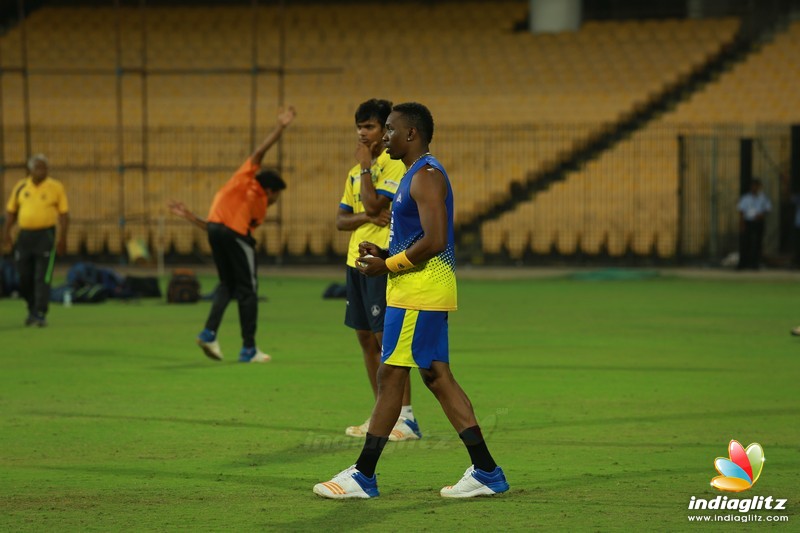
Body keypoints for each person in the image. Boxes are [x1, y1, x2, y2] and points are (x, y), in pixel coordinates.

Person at [314, 103, 509, 499]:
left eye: (389, 129)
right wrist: (382, 247)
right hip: (417, 292)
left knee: (391, 378)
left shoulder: (427, 177)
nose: (383, 136)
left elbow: (436, 240)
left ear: (411, 134)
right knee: (437, 376)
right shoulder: (412, 175)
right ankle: (487, 471)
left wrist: (388, 264)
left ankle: (363, 475)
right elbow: (415, 234)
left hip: (418, 295)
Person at [336, 99, 421, 441]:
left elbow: (374, 204)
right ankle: (380, 415)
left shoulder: (389, 164)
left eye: (369, 126)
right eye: (359, 126)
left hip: (381, 262)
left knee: (387, 342)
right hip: (354, 263)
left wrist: (367, 168)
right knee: (364, 339)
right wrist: (367, 216)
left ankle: (406, 418)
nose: (362, 132)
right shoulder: (355, 172)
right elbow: (341, 221)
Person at [193, 106, 295, 363]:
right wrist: (280, 127)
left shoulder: (242, 181)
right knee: (248, 290)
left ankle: (208, 333)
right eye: (276, 196)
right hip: (235, 235)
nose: (275, 201)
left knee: (227, 284)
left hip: (214, 229)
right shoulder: (252, 182)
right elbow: (260, 151)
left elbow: (220, 223)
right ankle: (248, 348)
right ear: (271, 190)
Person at [2, 154, 69, 327]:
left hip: (45, 236)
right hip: (24, 237)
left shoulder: (55, 187)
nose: (42, 171)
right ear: (30, 170)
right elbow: (11, 212)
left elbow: (63, 214)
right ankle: (32, 308)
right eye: (38, 167)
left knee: (42, 276)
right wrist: (6, 233)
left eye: (44, 167)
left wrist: (62, 239)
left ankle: (40, 312)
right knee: (23, 276)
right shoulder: (21, 187)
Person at [737, 178, 771, 270]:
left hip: (758, 222)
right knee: (745, 243)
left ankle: (755, 264)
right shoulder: (745, 198)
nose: (755, 188)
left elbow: (767, 209)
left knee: (757, 244)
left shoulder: (763, 198)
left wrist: (762, 215)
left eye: (756, 186)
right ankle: (743, 264)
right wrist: (742, 223)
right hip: (748, 222)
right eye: (753, 186)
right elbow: (741, 211)